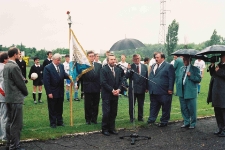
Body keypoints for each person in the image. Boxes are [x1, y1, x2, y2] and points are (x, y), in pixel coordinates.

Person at [3, 47, 28, 150]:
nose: (20, 55)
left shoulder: (6, 66)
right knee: (16, 124)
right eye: (18, 53)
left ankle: (9, 144)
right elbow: (20, 83)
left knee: (9, 122)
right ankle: (14, 146)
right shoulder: (14, 67)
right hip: (15, 98)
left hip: (8, 97)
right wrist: (25, 91)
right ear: (14, 54)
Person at [147, 52, 175, 127]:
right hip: (153, 90)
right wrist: (148, 87)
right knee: (153, 106)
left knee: (165, 106)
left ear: (162, 58)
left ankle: (164, 121)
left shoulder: (169, 66)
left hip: (164, 91)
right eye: (155, 57)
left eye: (157, 57)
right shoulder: (153, 66)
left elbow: (171, 78)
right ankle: (151, 120)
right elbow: (151, 77)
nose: (156, 59)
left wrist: (170, 88)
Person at [43, 53, 70, 128]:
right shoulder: (47, 68)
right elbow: (46, 81)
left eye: (60, 60)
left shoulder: (61, 66)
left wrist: (70, 77)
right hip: (52, 91)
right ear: (54, 60)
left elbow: (64, 74)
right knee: (52, 107)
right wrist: (49, 92)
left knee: (59, 107)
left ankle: (60, 121)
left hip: (60, 90)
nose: (59, 61)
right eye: (58, 60)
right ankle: (53, 122)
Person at [100, 54, 122, 136]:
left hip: (115, 94)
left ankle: (111, 128)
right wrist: (112, 90)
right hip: (107, 94)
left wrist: (119, 89)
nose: (113, 61)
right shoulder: (103, 70)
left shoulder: (117, 70)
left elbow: (120, 81)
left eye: (114, 59)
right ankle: (105, 129)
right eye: (111, 59)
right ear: (108, 60)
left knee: (113, 112)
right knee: (106, 112)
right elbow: (103, 82)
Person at [176, 56, 201, 129]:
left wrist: (191, 75)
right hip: (182, 92)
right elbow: (179, 79)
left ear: (189, 60)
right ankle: (186, 122)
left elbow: (198, 79)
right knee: (183, 108)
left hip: (190, 92)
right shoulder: (181, 69)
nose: (184, 61)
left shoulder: (195, 69)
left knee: (192, 109)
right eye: (183, 59)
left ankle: (193, 123)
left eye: (185, 59)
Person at [125, 54, 148, 122]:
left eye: (138, 58)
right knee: (132, 104)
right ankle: (132, 118)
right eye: (135, 59)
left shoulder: (144, 66)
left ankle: (140, 117)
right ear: (133, 60)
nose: (137, 60)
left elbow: (146, 77)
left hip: (142, 88)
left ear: (140, 58)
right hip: (133, 89)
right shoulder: (130, 67)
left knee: (141, 104)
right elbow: (126, 76)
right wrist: (128, 70)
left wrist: (147, 87)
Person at [207, 54, 225, 137]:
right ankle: (220, 128)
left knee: (223, 112)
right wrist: (213, 65)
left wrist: (219, 71)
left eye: (222, 56)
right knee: (217, 111)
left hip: (223, 92)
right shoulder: (219, 65)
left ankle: (224, 130)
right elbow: (212, 74)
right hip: (216, 92)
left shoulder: (221, 67)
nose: (221, 58)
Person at [82, 51, 102, 125]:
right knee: (88, 104)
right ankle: (88, 119)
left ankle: (94, 118)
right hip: (88, 87)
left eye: (93, 56)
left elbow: (101, 76)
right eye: (90, 56)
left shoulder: (99, 65)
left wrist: (100, 86)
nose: (92, 57)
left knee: (95, 104)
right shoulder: (84, 66)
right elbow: (80, 77)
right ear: (87, 57)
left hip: (96, 87)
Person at [0, 52, 8, 142]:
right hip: (2, 93)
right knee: (4, 116)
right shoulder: (4, 68)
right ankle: (4, 136)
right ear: (5, 59)